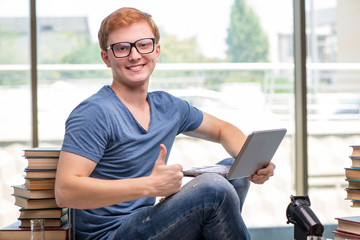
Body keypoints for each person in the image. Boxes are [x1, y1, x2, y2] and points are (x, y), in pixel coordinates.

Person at [55, 7, 276, 240]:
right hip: (112, 234)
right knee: (214, 188)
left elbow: (224, 130)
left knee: (235, 169)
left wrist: (254, 165)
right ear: (106, 58)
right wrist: (151, 185)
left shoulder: (167, 106)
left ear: (156, 51)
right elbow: (66, 191)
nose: (134, 55)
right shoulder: (95, 112)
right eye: (121, 48)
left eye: (143, 45)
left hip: (148, 222)